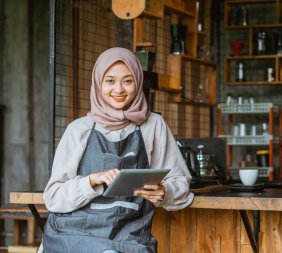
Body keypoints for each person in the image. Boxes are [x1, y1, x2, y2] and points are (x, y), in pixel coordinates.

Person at [38, 47, 194, 253]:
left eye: (128, 81)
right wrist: (92, 181)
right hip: (73, 235)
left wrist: (165, 192)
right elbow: (53, 197)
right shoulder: (78, 130)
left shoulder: (153, 125)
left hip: (128, 235)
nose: (119, 89)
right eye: (110, 81)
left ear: (138, 82)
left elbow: (181, 182)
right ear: (98, 83)